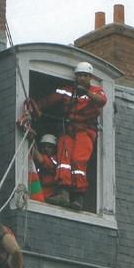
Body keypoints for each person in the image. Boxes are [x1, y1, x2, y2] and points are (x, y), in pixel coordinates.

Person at [29, 61, 108, 210]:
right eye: (79, 75)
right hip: (69, 130)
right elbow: (49, 100)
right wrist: (34, 106)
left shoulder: (96, 91)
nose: (82, 78)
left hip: (85, 131)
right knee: (63, 160)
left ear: (90, 77)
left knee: (78, 160)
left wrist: (87, 93)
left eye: (85, 75)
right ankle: (63, 192)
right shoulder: (67, 91)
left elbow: (102, 101)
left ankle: (78, 196)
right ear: (75, 77)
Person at [31, 133, 58, 200]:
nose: (46, 149)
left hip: (50, 196)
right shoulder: (38, 160)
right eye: (43, 146)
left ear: (55, 149)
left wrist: (31, 143)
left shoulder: (55, 160)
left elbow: (42, 160)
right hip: (40, 194)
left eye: (49, 147)